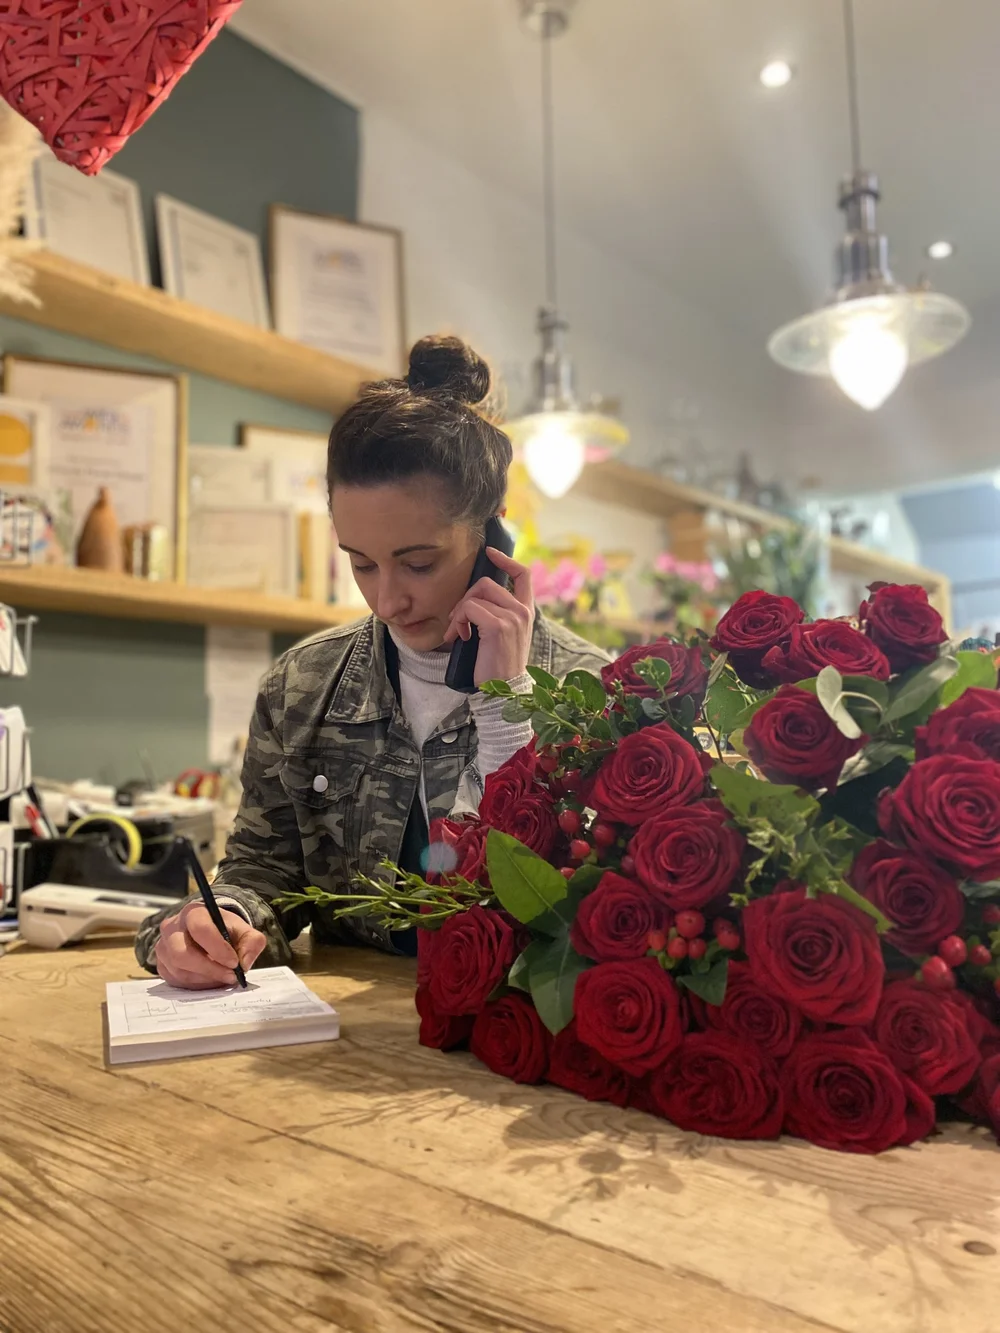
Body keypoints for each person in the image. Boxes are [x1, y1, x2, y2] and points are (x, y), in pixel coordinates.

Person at [136, 335, 609, 988]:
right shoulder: (301, 686)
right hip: (339, 1034)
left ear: (493, 535)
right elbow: (263, 869)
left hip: (519, 1030)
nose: (387, 601)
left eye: (419, 563)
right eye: (361, 563)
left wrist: (507, 703)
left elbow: (589, 912)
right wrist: (220, 922)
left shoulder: (596, 693)